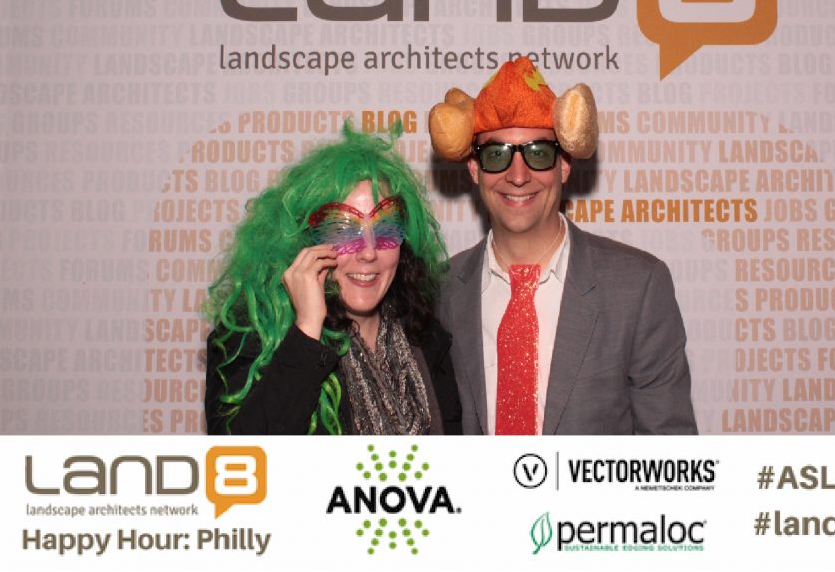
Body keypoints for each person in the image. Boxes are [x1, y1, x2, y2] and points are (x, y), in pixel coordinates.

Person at [428, 56, 696, 435]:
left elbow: (669, 455)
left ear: (564, 165)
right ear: (475, 169)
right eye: (496, 155)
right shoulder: (437, 293)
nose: (517, 176)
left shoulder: (638, 287)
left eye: (538, 153)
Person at [204, 123, 460, 435]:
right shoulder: (249, 339)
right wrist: (306, 333)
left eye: (385, 229)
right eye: (342, 230)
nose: (368, 253)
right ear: (303, 240)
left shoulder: (426, 337)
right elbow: (242, 457)